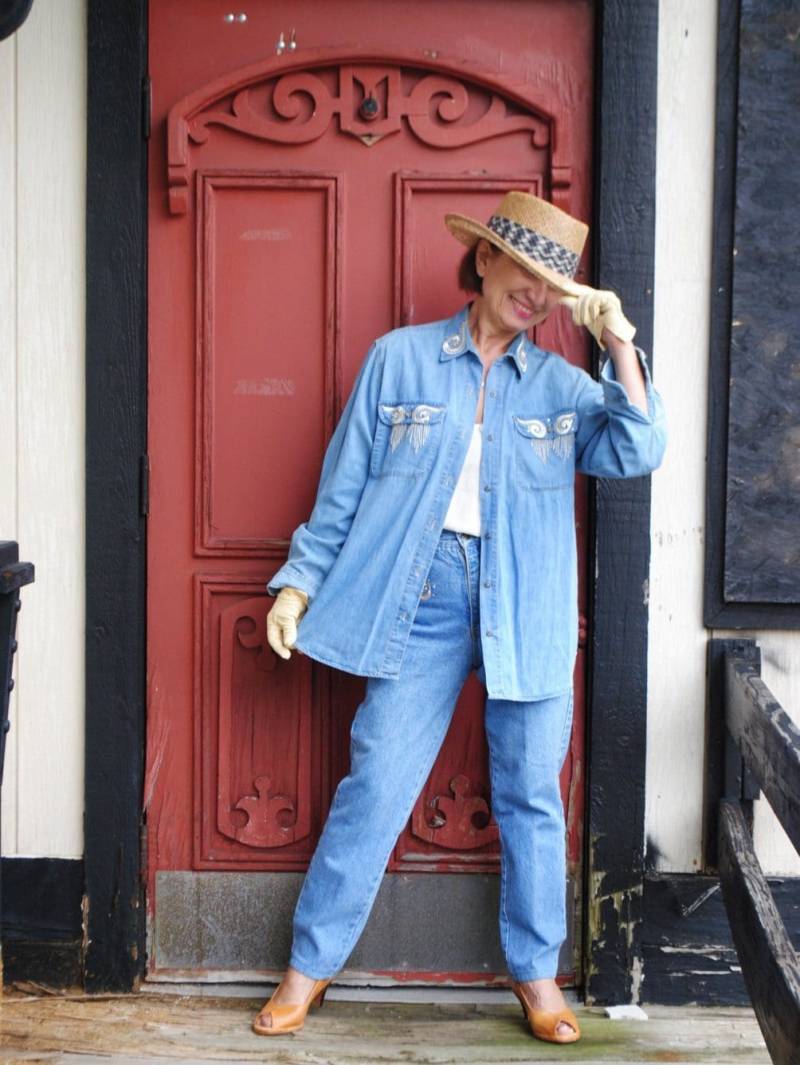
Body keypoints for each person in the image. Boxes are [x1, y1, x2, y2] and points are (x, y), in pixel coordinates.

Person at [255, 190, 667, 1044]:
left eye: (555, 284)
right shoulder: (398, 361)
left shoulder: (564, 383)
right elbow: (340, 494)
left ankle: (537, 975)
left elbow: (639, 447)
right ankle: (308, 968)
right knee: (376, 781)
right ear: (483, 259)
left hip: (530, 601)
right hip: (422, 595)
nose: (538, 295)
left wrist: (617, 340)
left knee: (530, 796)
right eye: (526, 270)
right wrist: (297, 584)